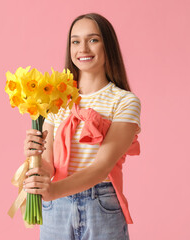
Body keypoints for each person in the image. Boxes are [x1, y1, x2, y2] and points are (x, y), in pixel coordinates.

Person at [22, 13, 141, 240]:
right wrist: (34, 159)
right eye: (75, 41)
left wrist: (52, 191)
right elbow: (49, 165)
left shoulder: (125, 101)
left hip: (100, 205)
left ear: (109, 46)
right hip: (55, 208)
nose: (82, 48)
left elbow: (101, 167)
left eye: (93, 40)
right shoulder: (57, 100)